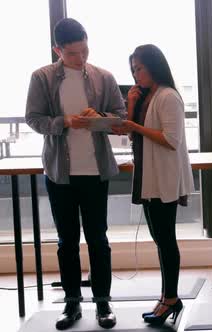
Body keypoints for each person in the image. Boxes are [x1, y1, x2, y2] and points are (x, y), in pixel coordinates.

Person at [24, 18, 123, 330]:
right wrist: (64, 121)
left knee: (98, 239)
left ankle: (103, 303)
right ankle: (71, 305)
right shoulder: (41, 78)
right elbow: (33, 118)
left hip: (95, 170)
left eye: (84, 51)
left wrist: (100, 118)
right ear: (58, 50)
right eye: (73, 54)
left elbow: (119, 118)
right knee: (67, 241)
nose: (81, 59)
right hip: (60, 173)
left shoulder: (103, 77)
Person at [112, 44, 194, 325]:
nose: (136, 75)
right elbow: (131, 136)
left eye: (139, 68)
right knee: (160, 240)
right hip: (150, 176)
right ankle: (166, 296)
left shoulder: (168, 96)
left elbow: (171, 140)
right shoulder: (148, 97)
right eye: (133, 70)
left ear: (154, 66)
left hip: (163, 177)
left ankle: (170, 298)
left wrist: (135, 127)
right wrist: (132, 106)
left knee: (165, 240)